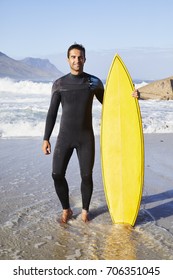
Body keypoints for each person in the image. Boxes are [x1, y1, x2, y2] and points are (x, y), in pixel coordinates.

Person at [42, 44, 104, 223]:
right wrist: (46, 138)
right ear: (68, 59)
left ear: (85, 59)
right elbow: (52, 113)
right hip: (65, 137)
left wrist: (131, 96)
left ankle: (85, 212)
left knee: (86, 175)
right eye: (73, 57)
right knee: (57, 174)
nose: (77, 60)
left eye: (80, 57)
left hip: (86, 137)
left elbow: (110, 103)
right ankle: (67, 209)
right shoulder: (59, 84)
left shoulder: (93, 82)